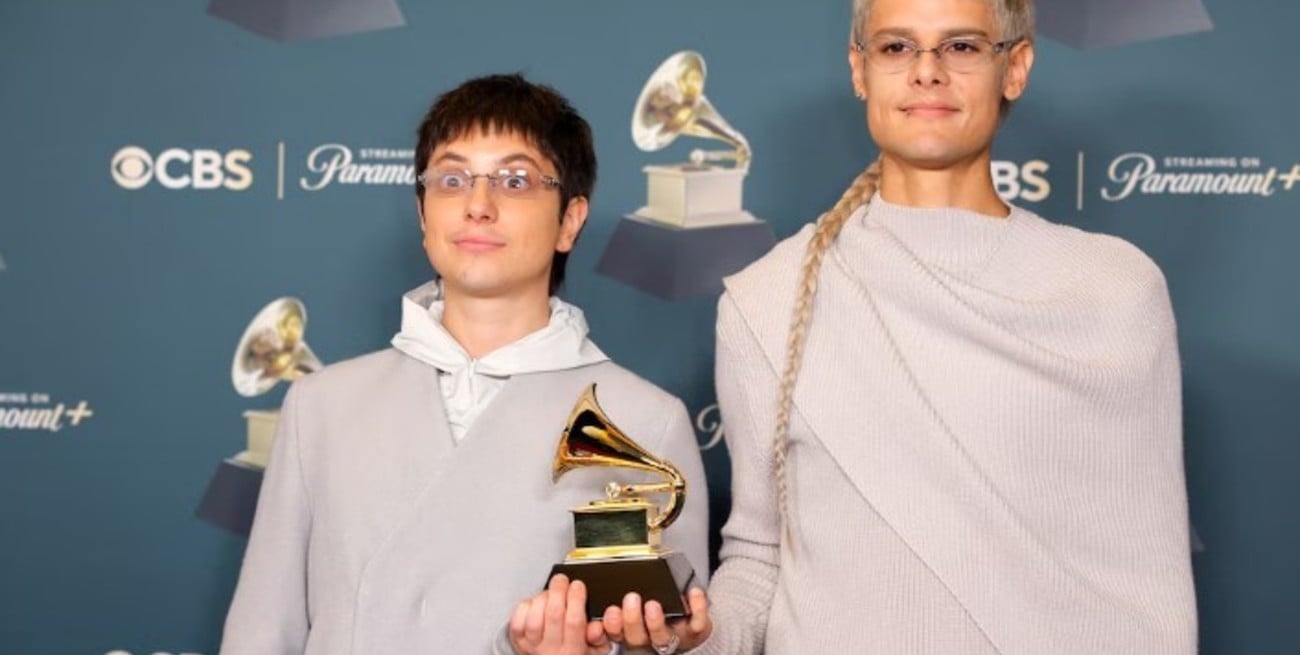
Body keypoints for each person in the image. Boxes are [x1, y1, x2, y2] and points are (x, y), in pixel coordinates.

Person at [526, 0, 1198, 653]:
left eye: (962, 46)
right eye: (897, 46)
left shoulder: (1113, 291)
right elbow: (759, 560)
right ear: (860, 68)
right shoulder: (768, 299)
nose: (927, 71)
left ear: (1015, 67)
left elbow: (1150, 575)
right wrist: (687, 636)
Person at [218, 73, 709, 655]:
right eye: (451, 180)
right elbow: (260, 633)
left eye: (515, 181)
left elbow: (666, 636)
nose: (478, 206)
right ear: (423, 213)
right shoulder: (320, 405)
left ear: (570, 220)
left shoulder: (648, 421)